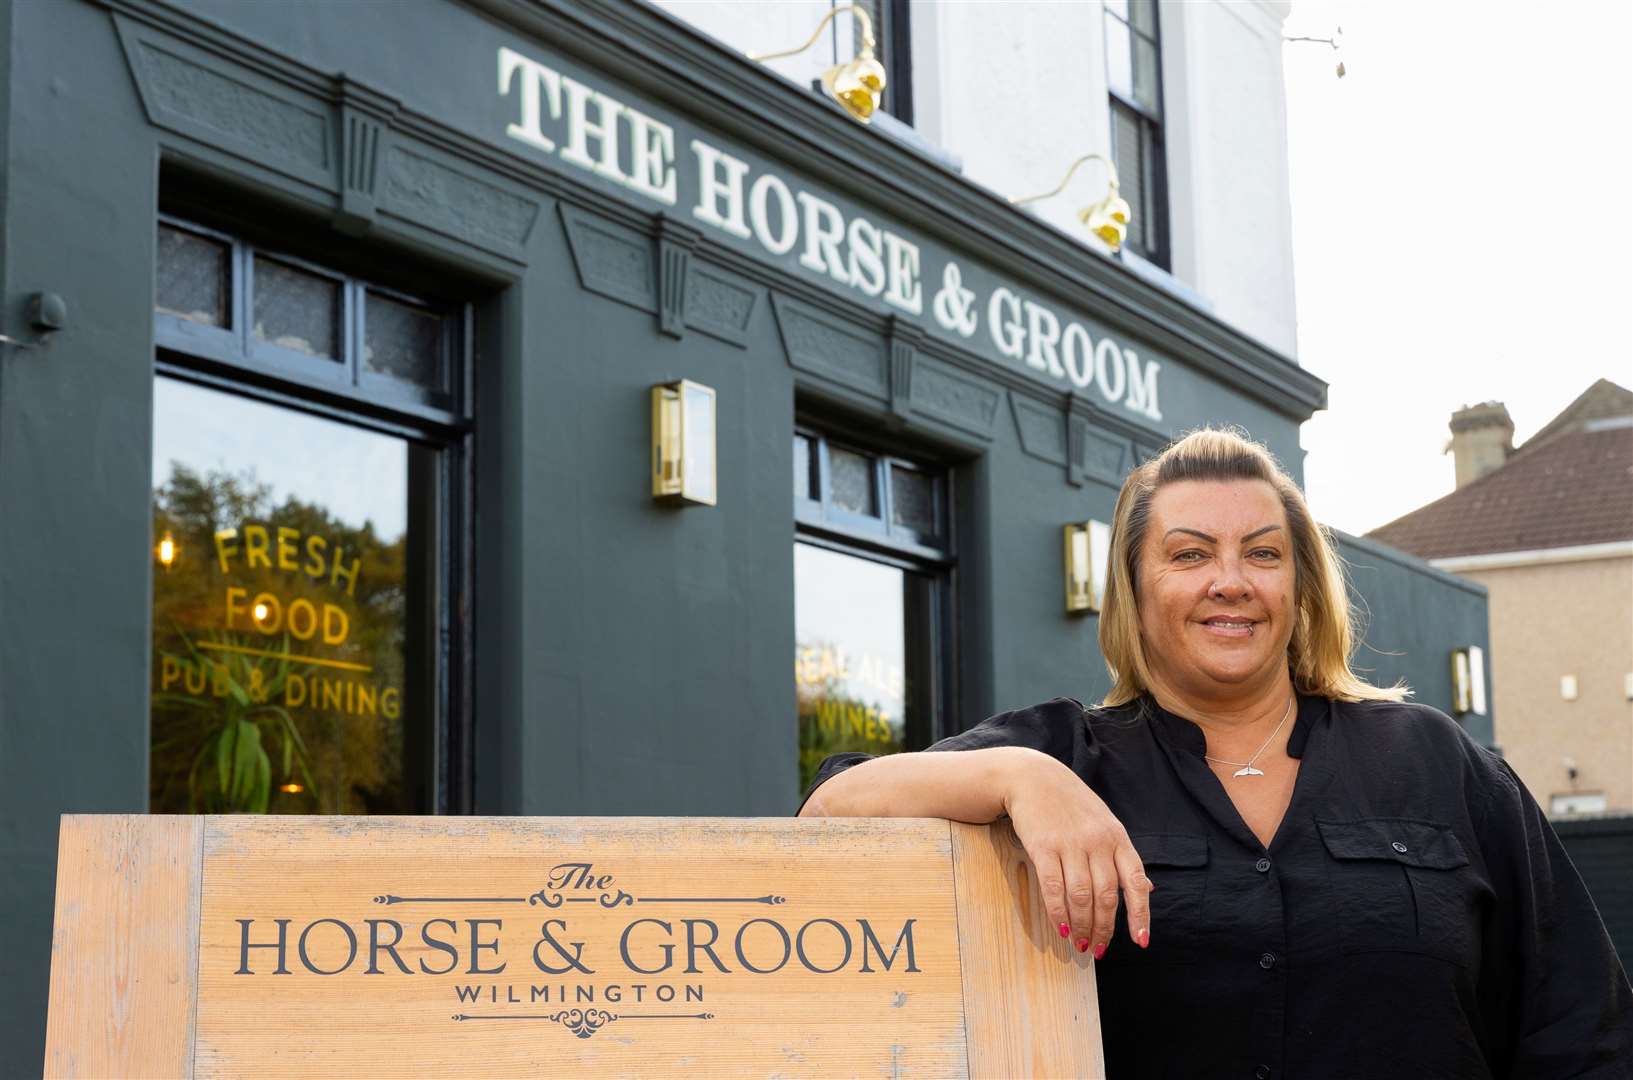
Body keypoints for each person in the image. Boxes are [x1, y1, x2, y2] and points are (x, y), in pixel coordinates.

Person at [797, 428, 1632, 1079]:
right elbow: (828, 808)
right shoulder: (1068, 752)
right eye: (1189, 553)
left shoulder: (1435, 760)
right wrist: (1017, 775)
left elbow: (1578, 1032)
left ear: (1297, 585)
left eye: (1262, 553)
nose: (1229, 581)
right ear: (1135, 585)